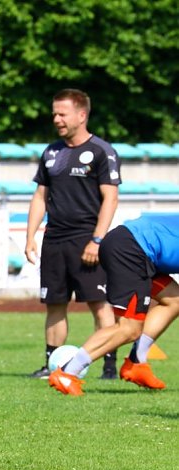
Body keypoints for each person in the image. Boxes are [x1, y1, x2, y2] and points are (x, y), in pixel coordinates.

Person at [24, 88, 120, 380]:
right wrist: (30, 237)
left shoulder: (102, 151)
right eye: (54, 113)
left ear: (81, 115)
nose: (56, 119)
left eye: (62, 114)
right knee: (54, 303)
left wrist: (97, 240)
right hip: (54, 240)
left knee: (98, 303)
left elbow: (110, 198)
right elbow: (40, 196)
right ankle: (51, 364)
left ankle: (109, 367)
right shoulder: (51, 153)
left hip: (87, 239)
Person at [48, 213, 179, 396]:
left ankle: (136, 363)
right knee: (129, 328)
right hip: (131, 249)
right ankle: (67, 373)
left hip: (135, 247)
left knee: (174, 300)